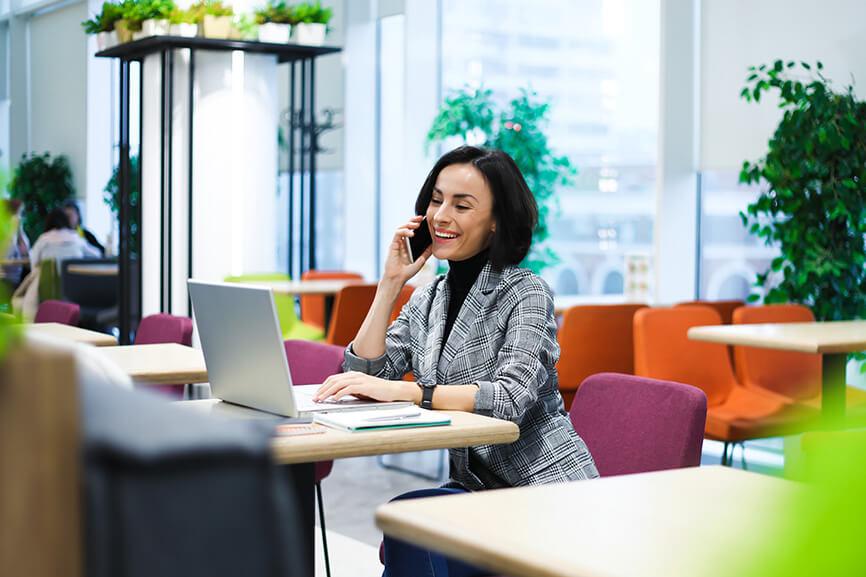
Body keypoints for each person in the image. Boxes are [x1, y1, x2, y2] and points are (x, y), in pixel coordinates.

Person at [314, 146, 599, 577]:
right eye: (436, 200)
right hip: (478, 491)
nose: (441, 215)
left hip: (543, 492)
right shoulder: (431, 296)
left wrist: (409, 391)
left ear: (496, 221)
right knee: (407, 520)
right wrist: (389, 285)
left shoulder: (526, 292)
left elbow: (509, 398)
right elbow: (363, 375)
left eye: (461, 205)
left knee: (416, 526)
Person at [30, 207, 102, 265]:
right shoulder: (76, 237)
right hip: (74, 281)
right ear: (66, 221)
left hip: (48, 281)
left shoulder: (43, 239)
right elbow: (96, 254)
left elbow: (34, 260)